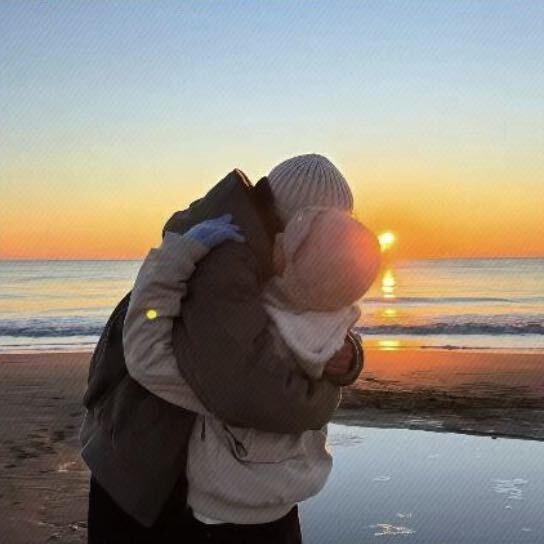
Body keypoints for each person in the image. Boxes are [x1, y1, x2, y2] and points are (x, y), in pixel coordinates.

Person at [81, 154, 365, 543]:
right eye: (316, 238)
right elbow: (150, 356)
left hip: (241, 495)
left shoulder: (295, 284)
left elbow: (330, 320)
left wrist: (348, 355)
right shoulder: (223, 273)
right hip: (144, 473)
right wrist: (176, 258)